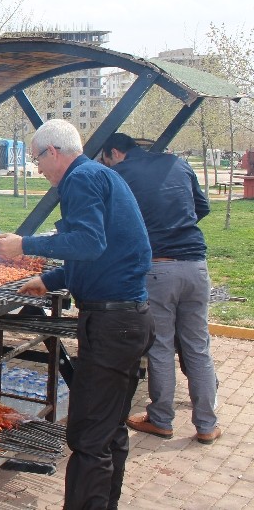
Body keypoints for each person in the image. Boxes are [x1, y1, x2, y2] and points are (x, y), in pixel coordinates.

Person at [0, 119, 156, 510]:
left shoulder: (81, 180)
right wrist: (48, 281)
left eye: (37, 159)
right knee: (109, 428)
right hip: (128, 320)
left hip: (113, 323)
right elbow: (100, 253)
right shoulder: (99, 175)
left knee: (87, 436)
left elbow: (87, 241)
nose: (37, 168)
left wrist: (24, 244)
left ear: (53, 151)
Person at [101, 133, 221, 445]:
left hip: (159, 268)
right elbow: (202, 207)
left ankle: (161, 419)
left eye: (105, 159)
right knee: (197, 346)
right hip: (196, 265)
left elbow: (110, 222)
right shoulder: (178, 164)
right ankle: (207, 425)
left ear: (114, 152)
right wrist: (176, 223)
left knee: (162, 345)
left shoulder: (119, 174)